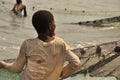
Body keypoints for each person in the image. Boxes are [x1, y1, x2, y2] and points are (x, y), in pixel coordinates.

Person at [0, 10, 81, 80]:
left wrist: (3, 64)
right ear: (50, 26)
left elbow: (16, 69)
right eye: (54, 23)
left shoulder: (28, 44)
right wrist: (60, 73)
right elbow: (76, 63)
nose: (55, 25)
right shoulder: (60, 44)